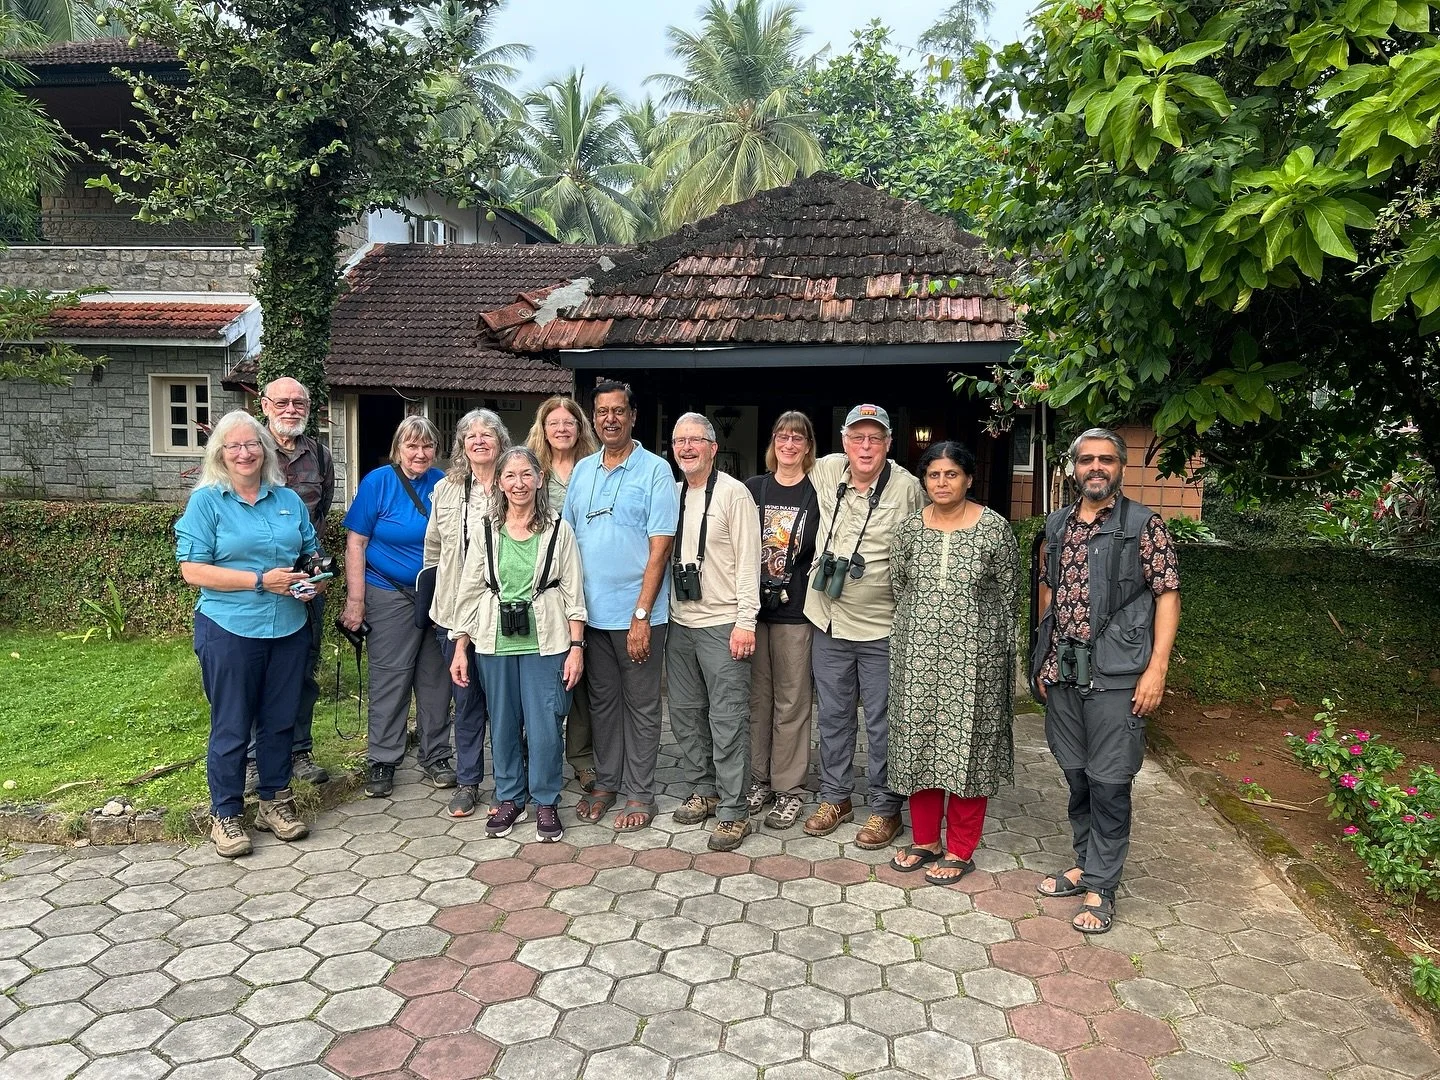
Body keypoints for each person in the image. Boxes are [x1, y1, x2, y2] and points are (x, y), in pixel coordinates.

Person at [1029, 427, 1181, 934]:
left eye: (1106, 459)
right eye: (1087, 459)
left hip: (1118, 673)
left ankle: (1102, 884)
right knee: (1076, 773)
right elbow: (1048, 591)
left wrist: (1157, 668)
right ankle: (1085, 862)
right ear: (1073, 468)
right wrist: (1043, 659)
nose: (1096, 467)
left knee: (1110, 780)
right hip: (1064, 672)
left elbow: (1167, 594)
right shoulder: (1057, 524)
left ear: (1120, 467)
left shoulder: (1143, 525)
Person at [176, 410, 320, 858]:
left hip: (288, 626)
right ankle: (226, 814)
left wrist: (313, 581)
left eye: (252, 444)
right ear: (220, 453)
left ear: (265, 450)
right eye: (234, 446)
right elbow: (192, 570)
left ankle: (274, 803)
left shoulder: (287, 500)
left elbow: (310, 555)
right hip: (229, 628)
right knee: (233, 724)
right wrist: (260, 581)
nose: (244, 453)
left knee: (280, 720)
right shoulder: (206, 503)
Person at [888, 442, 1020, 884]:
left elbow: (1008, 595)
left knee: (969, 751)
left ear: (968, 479)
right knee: (919, 745)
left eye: (951, 474)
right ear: (924, 481)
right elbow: (901, 588)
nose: (942, 483)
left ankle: (961, 849)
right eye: (934, 475)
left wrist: (994, 652)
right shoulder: (909, 530)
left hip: (976, 664)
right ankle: (925, 840)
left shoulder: (994, 529)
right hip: (917, 661)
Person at [802, 404, 924, 848]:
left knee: (882, 721)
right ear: (844, 441)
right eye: (857, 437)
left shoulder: (908, 488)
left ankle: (885, 807)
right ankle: (836, 797)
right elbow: (787, 454)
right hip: (828, 621)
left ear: (889, 443)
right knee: (832, 716)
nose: (865, 447)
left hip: (882, 627)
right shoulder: (827, 469)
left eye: (875, 438)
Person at [450, 447, 587, 842]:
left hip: (548, 641)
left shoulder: (559, 529)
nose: (519, 483)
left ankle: (545, 800)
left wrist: (576, 647)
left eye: (526, 475)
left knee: (545, 725)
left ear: (540, 479)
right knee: (503, 723)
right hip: (494, 642)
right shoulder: (486, 530)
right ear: (500, 482)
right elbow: (470, 590)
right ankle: (510, 797)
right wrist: (460, 646)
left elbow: (574, 593)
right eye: (510, 476)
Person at [562, 381, 679, 832]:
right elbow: (568, 542)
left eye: (618, 411)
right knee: (602, 704)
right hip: (591, 616)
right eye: (602, 412)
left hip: (638, 616)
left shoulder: (655, 471)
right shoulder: (583, 471)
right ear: (594, 419)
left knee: (642, 707)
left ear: (633, 417)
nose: (610, 419)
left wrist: (641, 614)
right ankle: (608, 782)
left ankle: (640, 793)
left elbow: (660, 548)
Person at [339, 416, 453, 807]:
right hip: (388, 594)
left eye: (427, 446)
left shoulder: (443, 483)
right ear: (398, 449)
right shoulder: (378, 482)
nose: (420, 453)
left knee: (437, 681)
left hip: (436, 596)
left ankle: (436, 755)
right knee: (390, 678)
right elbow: (356, 543)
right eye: (412, 445)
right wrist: (355, 600)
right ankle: (383, 760)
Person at [666, 413, 762, 851]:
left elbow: (749, 562)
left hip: (724, 623)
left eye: (695, 440)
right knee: (686, 714)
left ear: (712, 447)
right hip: (680, 622)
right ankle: (702, 789)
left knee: (727, 719)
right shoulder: (672, 494)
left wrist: (746, 621)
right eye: (679, 441)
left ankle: (733, 810)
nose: (686, 447)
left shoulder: (734, 494)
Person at [241, 377, 334, 794]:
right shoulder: (251, 451)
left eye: (299, 403)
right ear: (264, 405)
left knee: (302, 666)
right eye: (282, 403)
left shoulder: (320, 456)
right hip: (254, 579)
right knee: (252, 668)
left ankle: (298, 751)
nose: (291, 409)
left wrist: (312, 569)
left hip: (304, 577)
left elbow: (321, 513)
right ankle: (251, 759)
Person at [416, 409, 512, 808]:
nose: (479, 440)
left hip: (504, 613)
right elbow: (433, 548)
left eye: (487, 433)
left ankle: (510, 783)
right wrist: (436, 596)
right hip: (453, 612)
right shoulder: (447, 489)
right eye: (470, 435)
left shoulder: (515, 483)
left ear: (501, 440)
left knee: (506, 705)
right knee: (467, 700)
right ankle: (469, 781)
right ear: (461, 445)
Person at [744, 411, 820, 830]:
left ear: (808, 446)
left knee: (792, 701)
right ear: (773, 442)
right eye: (782, 436)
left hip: (796, 612)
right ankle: (760, 779)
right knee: (759, 700)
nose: (789, 444)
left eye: (797, 438)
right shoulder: (754, 488)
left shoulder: (817, 493)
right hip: (754, 611)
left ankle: (790, 787)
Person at [526, 396, 600, 792]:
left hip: (590, 584)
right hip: (544, 591)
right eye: (553, 422)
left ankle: (583, 758)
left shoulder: (595, 468)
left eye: (568, 422)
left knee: (581, 678)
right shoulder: (532, 469)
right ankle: (538, 756)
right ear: (543, 428)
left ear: (579, 427)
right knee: (544, 679)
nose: (561, 429)